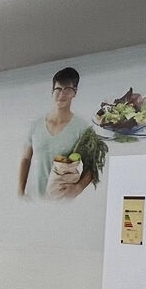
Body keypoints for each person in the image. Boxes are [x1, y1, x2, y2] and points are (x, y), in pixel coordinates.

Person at [18, 66, 96, 199]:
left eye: (67, 89)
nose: (62, 94)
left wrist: (78, 188)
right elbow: (26, 158)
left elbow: (92, 165)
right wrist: (20, 192)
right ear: (52, 92)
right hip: (34, 199)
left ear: (75, 92)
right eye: (58, 89)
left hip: (61, 201)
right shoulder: (36, 125)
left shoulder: (82, 128)